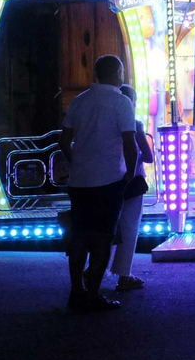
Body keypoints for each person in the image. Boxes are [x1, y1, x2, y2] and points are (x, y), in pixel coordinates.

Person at [60, 57, 138, 311]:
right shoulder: (121, 102)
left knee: (80, 237)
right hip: (109, 180)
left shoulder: (79, 101)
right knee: (104, 238)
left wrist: (76, 163)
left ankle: (76, 292)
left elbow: (64, 140)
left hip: (80, 181)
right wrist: (127, 175)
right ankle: (93, 294)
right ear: (116, 73)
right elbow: (129, 142)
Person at [108, 82, 154, 293]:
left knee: (108, 228)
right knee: (129, 227)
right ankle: (123, 275)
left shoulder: (109, 124)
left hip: (109, 181)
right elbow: (148, 156)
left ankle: (94, 269)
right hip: (133, 183)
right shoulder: (135, 126)